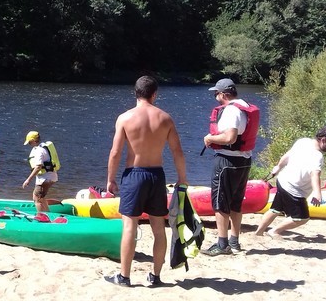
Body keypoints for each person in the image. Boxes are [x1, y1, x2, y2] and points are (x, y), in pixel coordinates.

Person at [105, 76, 187, 287]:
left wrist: (111, 179)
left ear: (135, 93)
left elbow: (115, 152)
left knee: (129, 225)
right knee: (158, 227)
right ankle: (156, 276)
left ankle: (124, 276)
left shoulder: (124, 118)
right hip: (157, 175)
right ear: (154, 94)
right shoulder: (165, 118)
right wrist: (182, 178)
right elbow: (177, 151)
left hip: (134, 174)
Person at [202, 78, 260, 256]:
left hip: (227, 162)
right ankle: (234, 242)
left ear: (224, 94)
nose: (215, 97)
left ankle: (222, 244)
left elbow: (230, 138)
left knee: (220, 203)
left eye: (216, 94)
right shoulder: (243, 105)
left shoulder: (231, 110)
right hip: (243, 161)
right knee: (235, 203)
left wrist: (210, 138)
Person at [256, 126, 326, 238]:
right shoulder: (317, 156)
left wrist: (278, 167)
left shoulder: (303, 141)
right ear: (324, 140)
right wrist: (317, 193)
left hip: (282, 181)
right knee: (301, 218)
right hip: (294, 189)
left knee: (275, 209)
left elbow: (287, 155)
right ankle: (274, 231)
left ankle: (258, 232)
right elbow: (315, 174)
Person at [22, 131, 60, 212]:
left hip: (45, 178)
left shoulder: (39, 150)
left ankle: (41, 217)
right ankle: (47, 214)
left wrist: (28, 179)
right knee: (41, 197)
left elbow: (38, 167)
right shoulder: (43, 146)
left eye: (29, 142)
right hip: (50, 176)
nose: (29, 144)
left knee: (36, 198)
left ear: (33, 141)